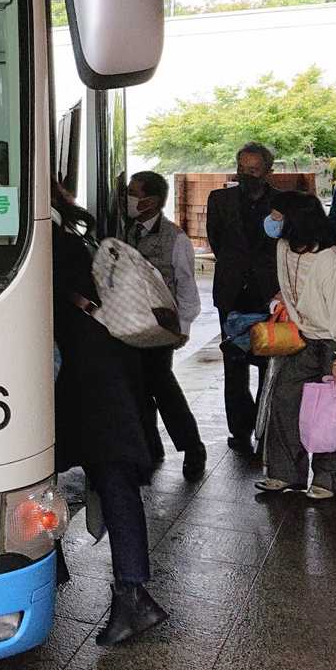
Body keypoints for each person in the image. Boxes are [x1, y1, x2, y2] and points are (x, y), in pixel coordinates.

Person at [52, 185, 168, 646]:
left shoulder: (44, 241)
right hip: (104, 368)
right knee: (110, 476)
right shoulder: (75, 234)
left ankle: (133, 596)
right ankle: (129, 593)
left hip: (89, 376)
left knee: (107, 476)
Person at [255, 191, 336, 500]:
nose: (271, 222)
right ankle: (284, 473)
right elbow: (292, 286)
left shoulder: (331, 261)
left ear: (295, 221)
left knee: (333, 407)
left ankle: (329, 479)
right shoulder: (283, 247)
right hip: (305, 333)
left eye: (277, 217)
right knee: (285, 397)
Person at [125, 171, 206, 480]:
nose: (128, 199)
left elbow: (186, 285)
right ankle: (150, 447)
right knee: (138, 387)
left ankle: (192, 447)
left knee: (163, 387)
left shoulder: (175, 238)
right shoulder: (125, 230)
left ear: (151, 201)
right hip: (130, 323)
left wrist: (183, 327)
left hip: (161, 327)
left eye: (134, 193)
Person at [205, 142, 280, 456]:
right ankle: (239, 429)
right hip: (232, 293)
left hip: (269, 295)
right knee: (234, 365)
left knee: (269, 364)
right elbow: (217, 241)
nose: (247, 175)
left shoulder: (282, 202)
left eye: (254, 170)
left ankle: (264, 426)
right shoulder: (219, 199)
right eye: (242, 168)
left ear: (267, 171)